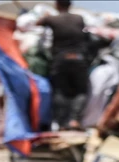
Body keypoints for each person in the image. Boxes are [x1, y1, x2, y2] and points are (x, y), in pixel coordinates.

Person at [37, 0, 89, 130]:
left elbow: (38, 23)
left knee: (60, 90)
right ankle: (74, 120)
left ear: (56, 5)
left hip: (61, 59)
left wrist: (45, 17)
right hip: (79, 58)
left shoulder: (52, 19)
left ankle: (61, 123)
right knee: (81, 90)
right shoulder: (79, 18)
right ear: (70, 5)